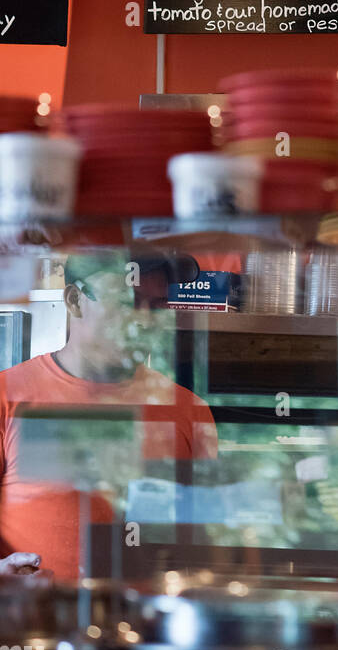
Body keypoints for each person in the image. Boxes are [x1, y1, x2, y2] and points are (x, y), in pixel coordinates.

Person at [0, 248, 218, 580]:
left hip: (148, 623)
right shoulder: (7, 397)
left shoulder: (189, 411)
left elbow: (205, 540)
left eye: (156, 306)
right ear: (73, 300)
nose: (145, 320)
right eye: (128, 303)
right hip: (37, 624)